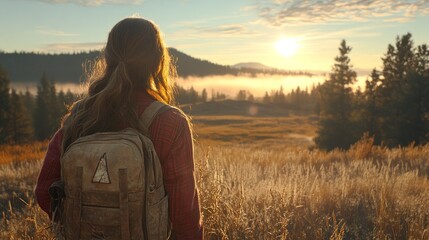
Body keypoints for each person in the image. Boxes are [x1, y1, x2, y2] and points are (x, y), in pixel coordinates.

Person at [35, 17, 203, 239]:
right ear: (158, 61)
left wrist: (86, 223)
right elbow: (184, 216)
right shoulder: (170, 122)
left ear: (108, 58)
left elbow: (45, 192)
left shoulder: (79, 117)